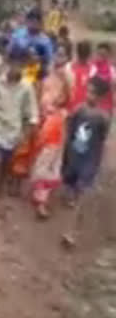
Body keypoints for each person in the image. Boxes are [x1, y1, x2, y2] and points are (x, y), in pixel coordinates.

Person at [0, 50, 39, 216]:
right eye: (13, 64)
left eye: (20, 65)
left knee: (6, 165)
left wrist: (25, 135)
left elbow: (32, 115)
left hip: (13, 133)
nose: (16, 68)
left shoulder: (27, 88)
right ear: (8, 63)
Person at [61, 76, 111, 248]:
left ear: (101, 97)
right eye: (88, 91)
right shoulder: (79, 110)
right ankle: (68, 224)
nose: (89, 95)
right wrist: (65, 154)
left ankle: (71, 231)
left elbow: (101, 141)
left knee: (81, 195)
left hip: (88, 161)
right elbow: (69, 131)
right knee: (71, 192)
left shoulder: (103, 118)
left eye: (93, 93)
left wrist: (97, 162)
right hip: (74, 156)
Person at [11, 46, 71, 186]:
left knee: (41, 150)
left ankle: (35, 184)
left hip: (50, 117)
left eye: (62, 55)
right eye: (57, 54)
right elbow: (38, 92)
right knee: (22, 147)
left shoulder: (67, 76)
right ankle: (16, 180)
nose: (59, 58)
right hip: (33, 113)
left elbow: (66, 99)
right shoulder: (44, 73)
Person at [91, 42, 115, 116]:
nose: (101, 57)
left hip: (106, 108)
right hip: (92, 107)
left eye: (104, 55)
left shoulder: (112, 69)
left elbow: (113, 88)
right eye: (99, 54)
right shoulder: (91, 66)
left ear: (108, 55)